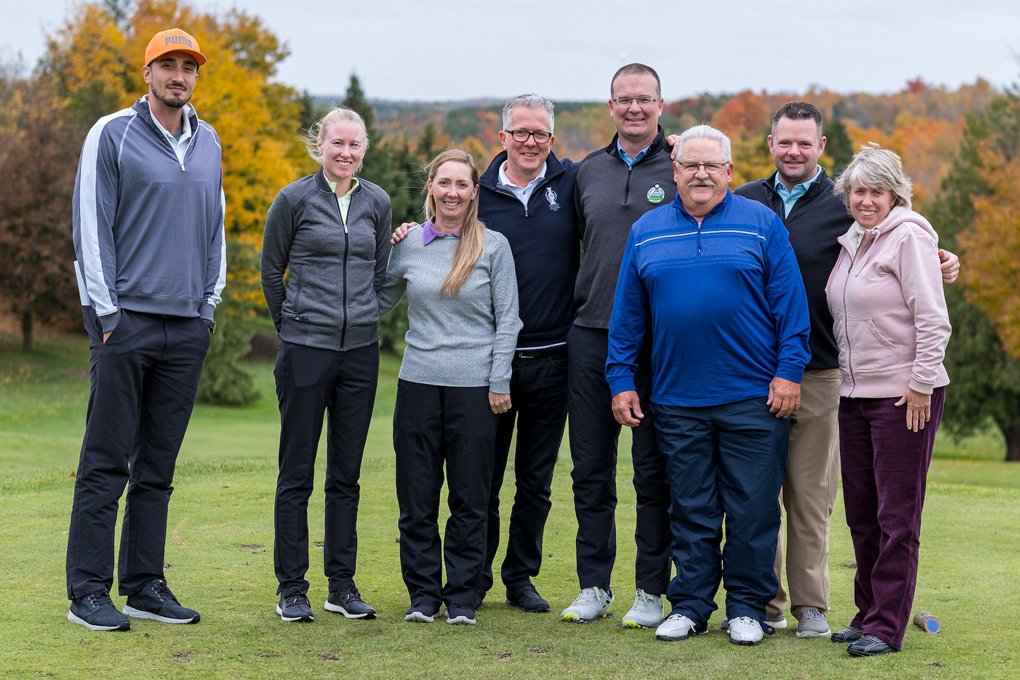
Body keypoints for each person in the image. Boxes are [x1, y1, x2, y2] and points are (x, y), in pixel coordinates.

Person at [735, 102, 961, 638]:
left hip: (861, 382)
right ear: (770, 144)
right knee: (852, 508)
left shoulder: (872, 220)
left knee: (859, 507)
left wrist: (940, 260)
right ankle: (856, 615)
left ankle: (868, 620)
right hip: (804, 381)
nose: (864, 200)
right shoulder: (747, 202)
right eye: (784, 141)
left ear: (821, 146)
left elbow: (927, 302)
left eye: (804, 142)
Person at [607, 124, 811, 646]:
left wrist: (790, 371)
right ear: (674, 172)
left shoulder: (761, 224)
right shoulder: (647, 230)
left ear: (729, 171)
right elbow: (628, 316)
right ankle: (692, 605)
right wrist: (620, 378)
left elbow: (791, 308)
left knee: (752, 509)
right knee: (691, 508)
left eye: (711, 166)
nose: (701, 174)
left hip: (754, 396)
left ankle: (746, 608)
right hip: (677, 398)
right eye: (690, 165)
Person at [67, 28, 225, 631]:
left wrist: (207, 308)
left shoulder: (209, 140)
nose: (179, 76)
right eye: (168, 65)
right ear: (148, 72)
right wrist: (107, 316)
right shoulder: (111, 133)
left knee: (157, 467)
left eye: (188, 66)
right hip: (125, 322)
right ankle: (88, 591)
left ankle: (143, 586)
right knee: (106, 462)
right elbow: (91, 226)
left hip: (186, 326)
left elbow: (215, 226)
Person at [379, 149, 522, 626]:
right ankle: (423, 594)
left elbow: (509, 320)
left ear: (474, 192)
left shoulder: (493, 246)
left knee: (469, 498)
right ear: (431, 188)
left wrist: (499, 379)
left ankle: (462, 596)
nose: (453, 192)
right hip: (417, 384)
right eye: (445, 183)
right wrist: (381, 245)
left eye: (462, 184)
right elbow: (378, 299)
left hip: (475, 390)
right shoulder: (410, 244)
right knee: (416, 497)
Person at [261, 106, 392, 623]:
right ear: (320, 145)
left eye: (354, 145)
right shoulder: (293, 199)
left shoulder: (376, 201)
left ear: (364, 149)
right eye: (337, 143)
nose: (345, 152)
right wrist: (292, 325)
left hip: (360, 353)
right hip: (305, 349)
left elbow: (381, 272)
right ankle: (292, 588)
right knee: (296, 474)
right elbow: (271, 270)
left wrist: (365, 315)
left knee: (346, 475)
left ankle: (342, 585)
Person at [825, 145, 951, 656]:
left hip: (904, 397)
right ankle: (867, 613)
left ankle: (886, 626)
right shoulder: (853, 241)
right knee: (862, 513)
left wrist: (921, 383)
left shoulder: (909, 237)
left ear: (895, 195)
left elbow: (933, 318)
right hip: (853, 393)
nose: (866, 201)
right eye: (858, 191)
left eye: (876, 192)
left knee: (897, 516)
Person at [561, 63, 674, 628]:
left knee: (654, 473)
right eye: (624, 99)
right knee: (591, 469)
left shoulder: (682, 165)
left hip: (660, 342)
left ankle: (651, 590)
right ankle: (594, 585)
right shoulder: (587, 171)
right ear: (610, 106)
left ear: (660, 104)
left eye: (644, 99)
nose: (634, 108)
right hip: (591, 335)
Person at [477, 95, 579, 613]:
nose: (530, 142)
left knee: (535, 482)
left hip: (554, 358)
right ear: (503, 137)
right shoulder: (477, 194)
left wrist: (671, 147)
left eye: (540, 133)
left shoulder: (573, 184)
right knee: (482, 479)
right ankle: (474, 577)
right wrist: (409, 230)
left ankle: (520, 578)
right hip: (489, 361)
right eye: (520, 132)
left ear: (551, 139)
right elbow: (437, 229)